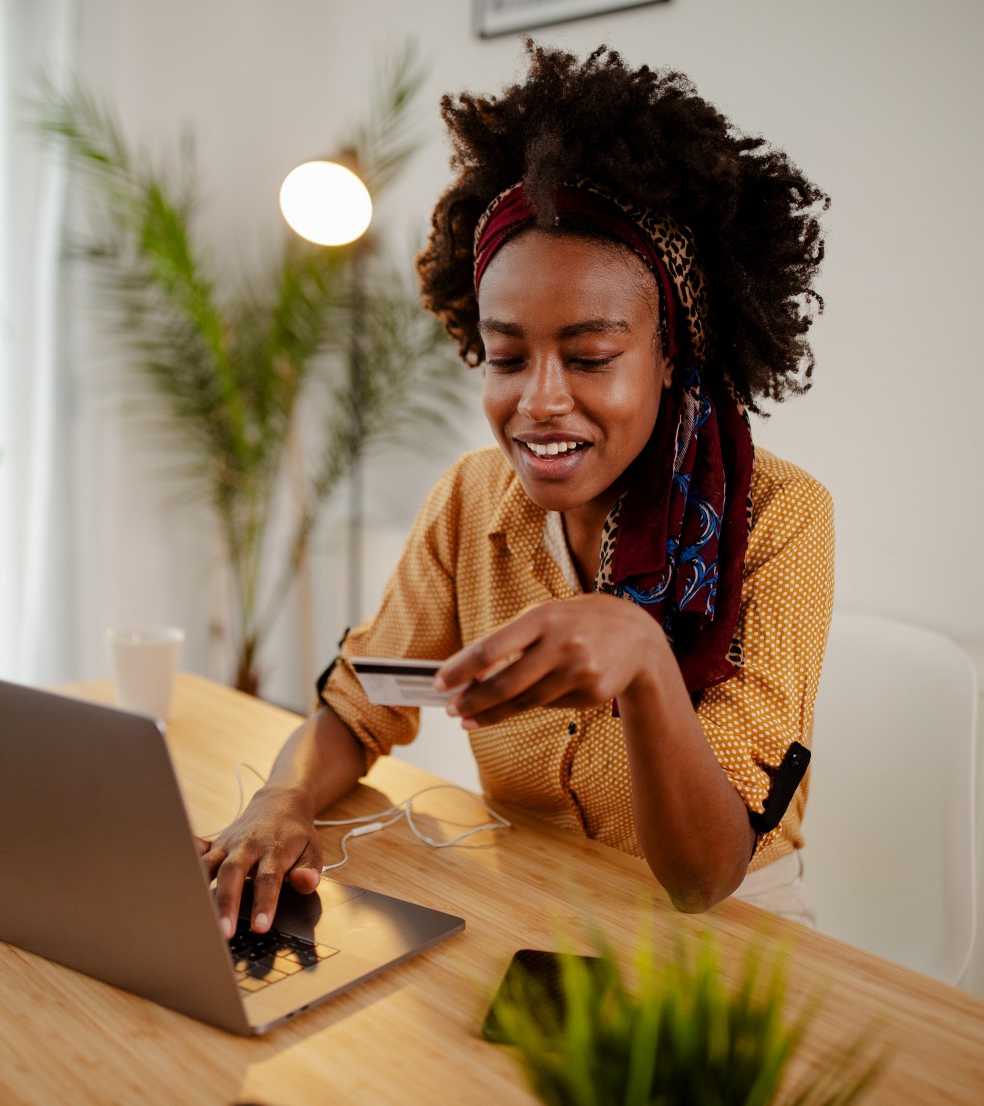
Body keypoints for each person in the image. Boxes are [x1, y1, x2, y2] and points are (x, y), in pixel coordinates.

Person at [198, 43, 833, 937]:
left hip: (726, 931)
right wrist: (283, 796)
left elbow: (705, 875)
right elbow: (356, 705)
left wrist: (646, 660)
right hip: (531, 901)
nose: (537, 401)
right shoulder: (471, 501)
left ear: (669, 357)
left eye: (589, 357)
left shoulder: (779, 518)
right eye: (505, 357)